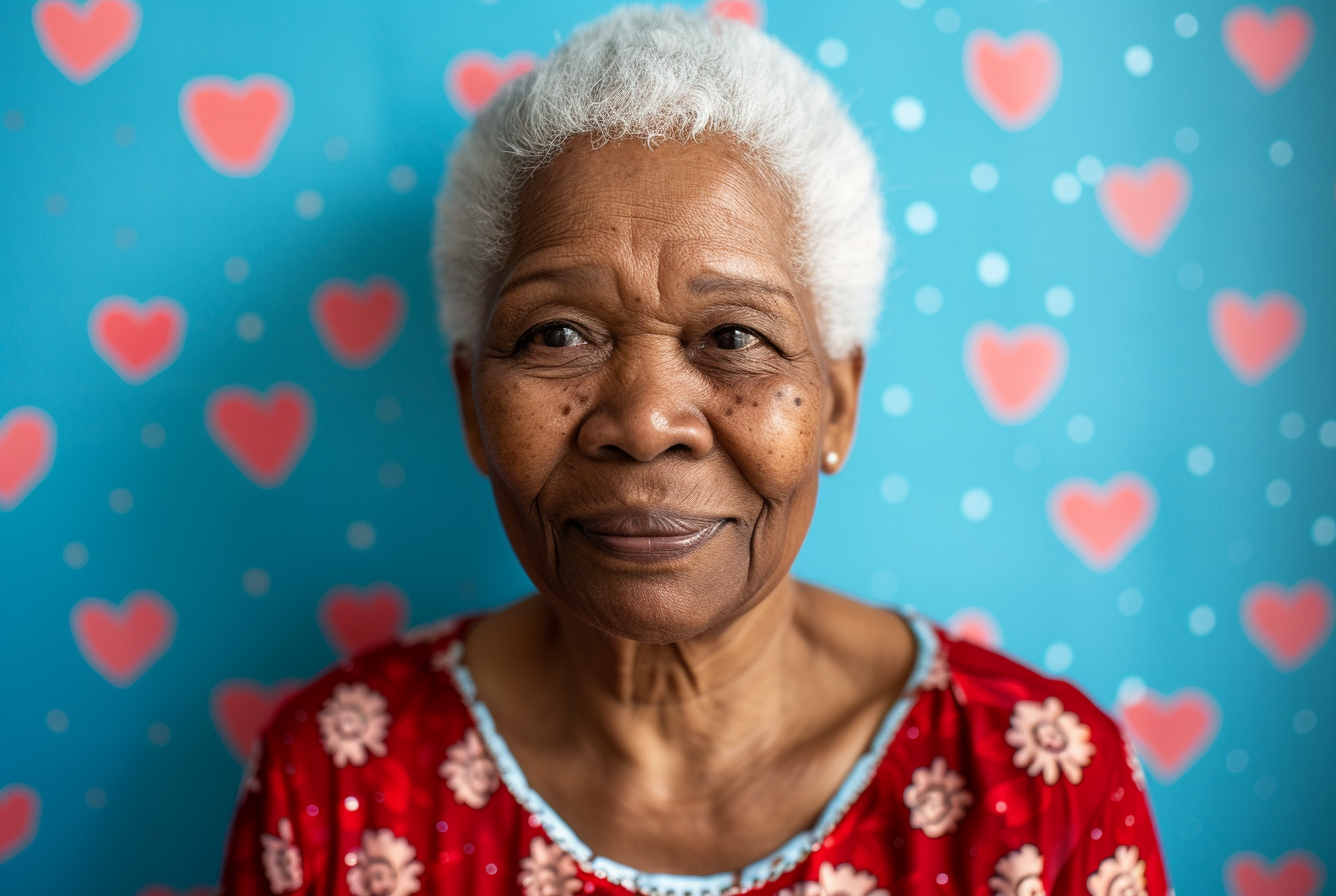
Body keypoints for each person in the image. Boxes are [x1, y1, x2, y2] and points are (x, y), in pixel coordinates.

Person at [221, 7, 1168, 896]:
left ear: (837, 405)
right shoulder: (337, 780)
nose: (644, 421)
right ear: (471, 404)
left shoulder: (1041, 788)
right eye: (555, 335)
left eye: (735, 338)